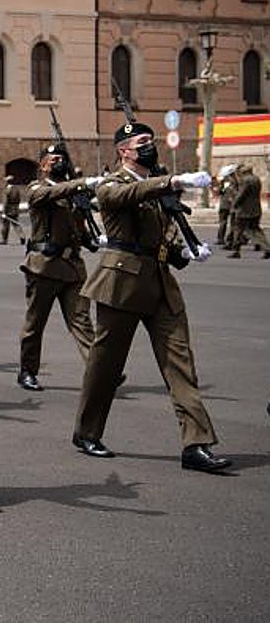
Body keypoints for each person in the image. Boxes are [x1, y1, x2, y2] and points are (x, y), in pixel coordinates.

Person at [72, 121, 231, 473]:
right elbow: (121, 197)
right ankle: (86, 431)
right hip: (122, 285)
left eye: (150, 140)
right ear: (123, 151)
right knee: (106, 365)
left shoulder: (155, 188)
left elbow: (162, 231)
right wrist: (173, 181)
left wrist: (182, 250)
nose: (148, 146)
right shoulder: (115, 183)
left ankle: (196, 444)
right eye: (140, 142)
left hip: (160, 284)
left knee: (181, 364)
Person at [16, 144, 100, 391]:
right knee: (35, 322)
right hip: (44, 266)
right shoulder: (38, 188)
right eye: (53, 160)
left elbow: (78, 227)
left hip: (72, 267)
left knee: (82, 322)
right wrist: (81, 183)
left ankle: (100, 372)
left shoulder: (71, 193)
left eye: (62, 158)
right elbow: (45, 196)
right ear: (42, 166)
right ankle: (27, 371)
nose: (58, 163)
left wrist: (92, 240)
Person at [227, 164, 268, 259]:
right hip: (256, 209)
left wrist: (234, 201)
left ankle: (236, 250)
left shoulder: (245, 181)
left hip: (244, 210)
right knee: (256, 230)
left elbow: (241, 195)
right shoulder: (256, 179)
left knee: (238, 230)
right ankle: (266, 247)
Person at [215, 164, 238, 250]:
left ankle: (222, 238)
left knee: (224, 222)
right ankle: (227, 239)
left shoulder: (225, 182)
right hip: (230, 205)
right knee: (230, 223)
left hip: (226, 204)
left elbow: (219, 192)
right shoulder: (236, 181)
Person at [0, 176, 22, 244]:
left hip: (8, 210)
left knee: (5, 225)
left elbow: (5, 202)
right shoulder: (16, 189)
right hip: (15, 209)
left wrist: (3, 212)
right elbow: (19, 199)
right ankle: (22, 236)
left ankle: (4, 240)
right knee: (16, 224)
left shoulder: (7, 190)